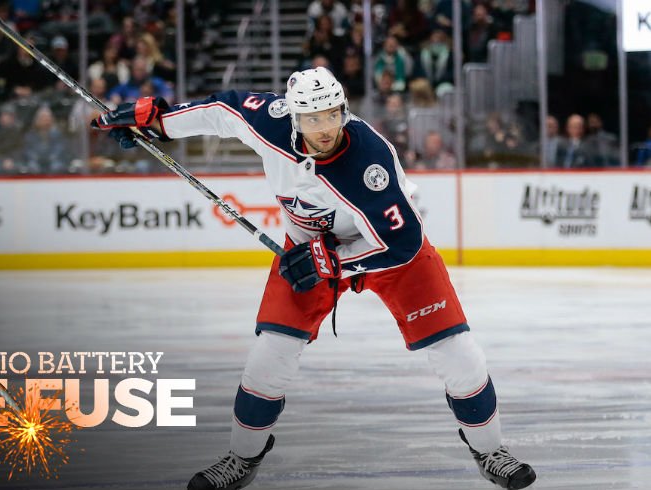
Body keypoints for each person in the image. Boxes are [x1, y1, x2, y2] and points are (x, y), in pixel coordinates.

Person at [91, 67, 537, 490]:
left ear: (343, 109)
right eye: (311, 118)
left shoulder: (369, 161)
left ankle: (490, 450)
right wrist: (162, 121)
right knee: (270, 354)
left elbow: (401, 243)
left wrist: (335, 262)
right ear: (294, 115)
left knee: (457, 353)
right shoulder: (271, 120)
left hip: (386, 250)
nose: (323, 128)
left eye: (331, 115)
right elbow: (223, 111)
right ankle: (242, 456)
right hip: (306, 252)